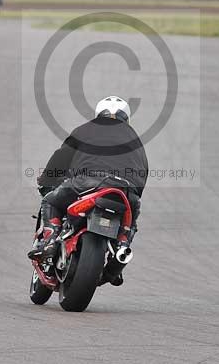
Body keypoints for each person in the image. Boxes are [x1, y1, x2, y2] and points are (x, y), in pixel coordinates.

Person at [28, 96, 148, 285]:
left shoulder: (85, 129)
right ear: (127, 118)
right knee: (132, 215)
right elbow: (143, 173)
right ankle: (122, 247)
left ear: (98, 113)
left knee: (50, 201)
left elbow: (61, 158)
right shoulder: (136, 139)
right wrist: (132, 196)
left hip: (87, 182)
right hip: (125, 191)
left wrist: (46, 181)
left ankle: (49, 242)